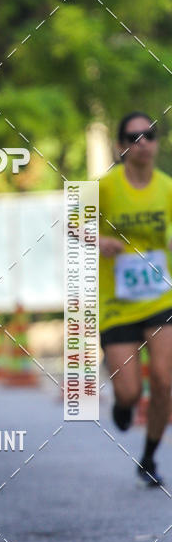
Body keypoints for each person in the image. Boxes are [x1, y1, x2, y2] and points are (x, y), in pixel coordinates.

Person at [99, 111, 172, 487]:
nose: (142, 143)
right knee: (130, 391)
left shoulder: (167, 187)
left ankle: (148, 456)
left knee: (164, 380)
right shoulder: (106, 187)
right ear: (120, 146)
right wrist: (98, 240)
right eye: (133, 137)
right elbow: (73, 223)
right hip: (117, 302)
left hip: (161, 297)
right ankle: (124, 403)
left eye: (150, 135)